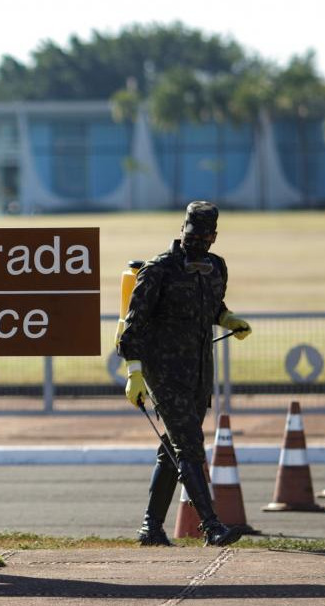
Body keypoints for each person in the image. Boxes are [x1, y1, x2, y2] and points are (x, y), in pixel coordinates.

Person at [117, 201, 252, 547]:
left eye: (205, 237)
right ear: (183, 231)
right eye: (192, 235)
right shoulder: (158, 270)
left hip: (199, 374)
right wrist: (134, 373)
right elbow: (133, 328)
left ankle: (151, 528)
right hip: (164, 374)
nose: (198, 243)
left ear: (214, 237)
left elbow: (213, 307)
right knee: (191, 447)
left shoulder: (216, 268)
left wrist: (228, 319)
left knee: (173, 448)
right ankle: (211, 526)